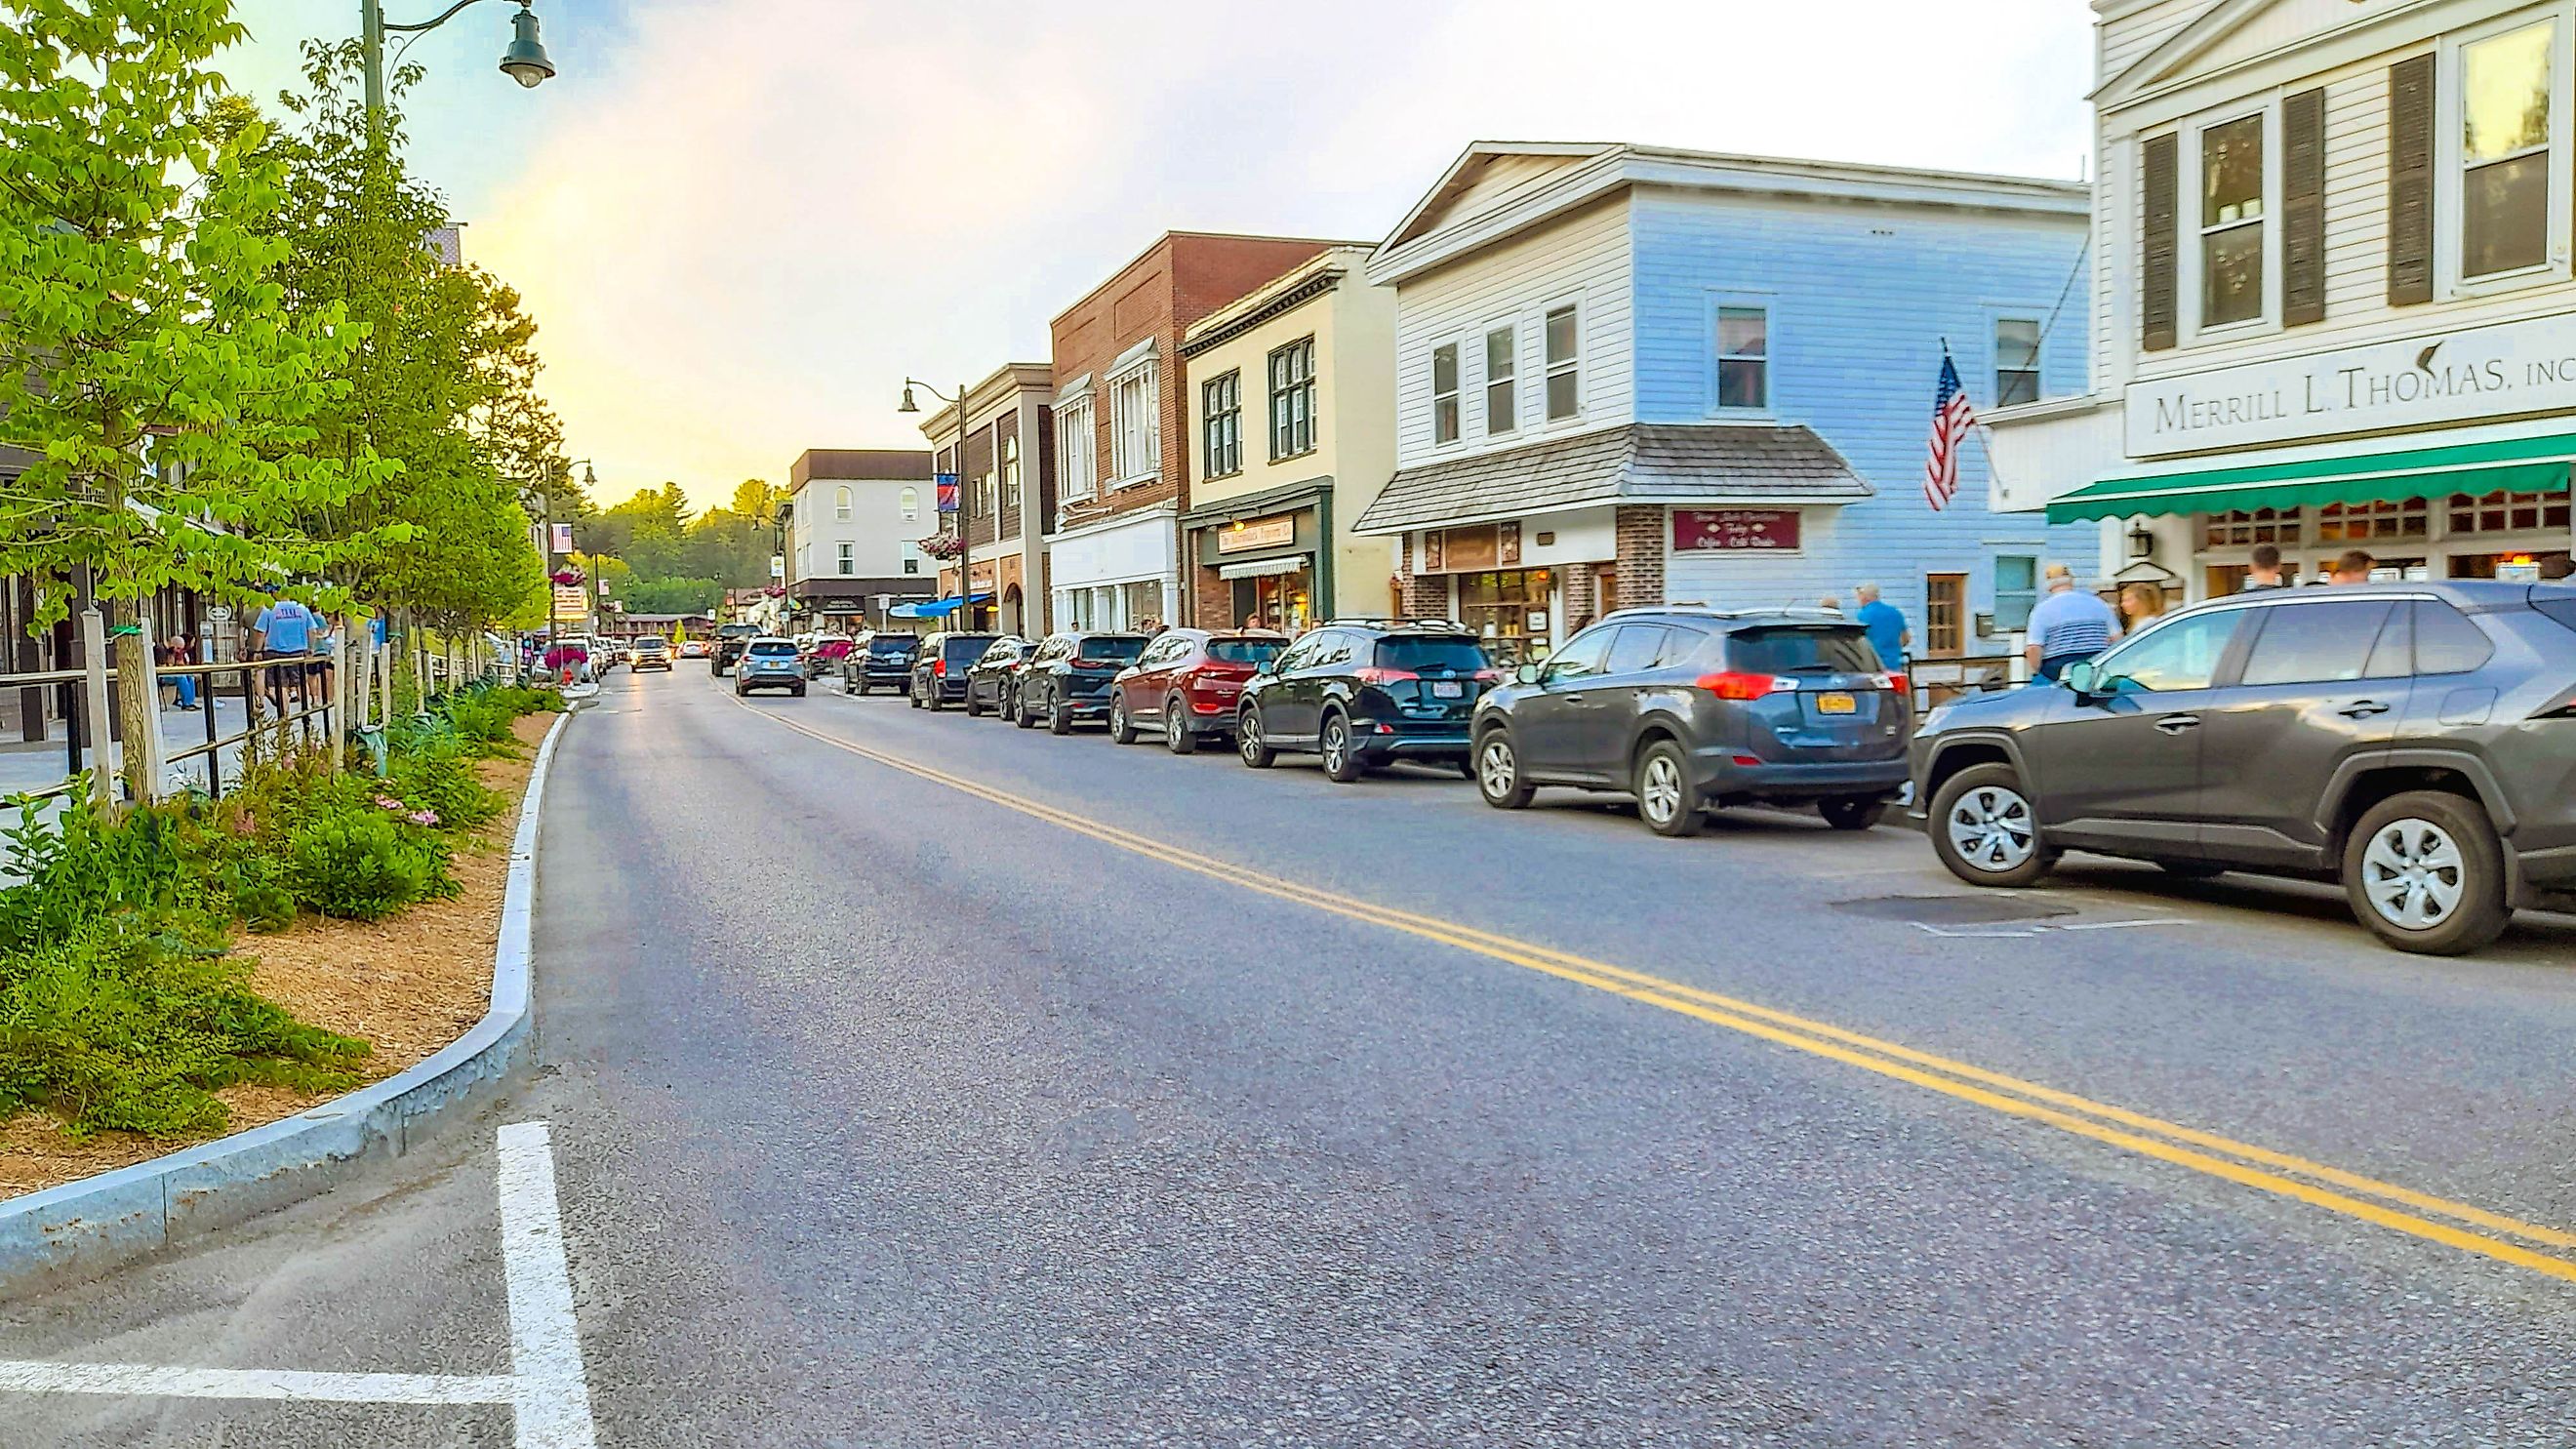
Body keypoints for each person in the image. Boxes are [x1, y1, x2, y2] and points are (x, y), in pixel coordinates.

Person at [2024, 564, 2121, 683]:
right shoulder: (2099, 604)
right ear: (2071, 581)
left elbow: (2034, 648)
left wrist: (2037, 671)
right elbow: (2117, 638)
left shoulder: (2042, 610)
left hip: (2057, 669)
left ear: (2048, 584)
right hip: (2096, 666)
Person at [250, 593, 316, 711]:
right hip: (298, 652)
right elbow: (312, 631)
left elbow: (260, 632)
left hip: (275, 653)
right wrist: (310, 649)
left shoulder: (269, 609)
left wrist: (258, 651)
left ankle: (284, 717)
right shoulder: (302, 609)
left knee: (281, 686)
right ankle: (306, 712)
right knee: (301, 682)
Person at [1852, 583, 1910, 667]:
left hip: (1873, 665)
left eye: (1859, 596)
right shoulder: (1895, 613)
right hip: (1893, 664)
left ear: (1865, 597)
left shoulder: (1862, 615)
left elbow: (1858, 642)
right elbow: (1905, 639)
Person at [164, 632, 199, 711]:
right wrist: (172, 655)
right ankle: (186, 703)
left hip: (173, 673)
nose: (179, 651)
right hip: (164, 675)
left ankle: (190, 701)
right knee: (181, 677)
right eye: (178, 648)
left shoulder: (181, 653)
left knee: (190, 677)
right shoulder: (166, 652)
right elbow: (168, 665)